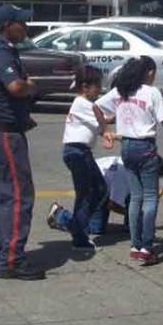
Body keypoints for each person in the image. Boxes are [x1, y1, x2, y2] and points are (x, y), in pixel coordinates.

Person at [0, 4, 45, 281]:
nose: (25, 28)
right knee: (18, 196)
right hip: (4, 135)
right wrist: (32, 86)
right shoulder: (1, 52)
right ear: (7, 25)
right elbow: (15, 87)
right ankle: (12, 260)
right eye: (21, 24)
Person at [96, 56, 163, 266]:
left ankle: (134, 244)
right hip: (145, 147)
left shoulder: (120, 91)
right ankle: (147, 246)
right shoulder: (151, 92)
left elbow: (96, 107)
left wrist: (106, 129)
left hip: (127, 147)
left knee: (136, 197)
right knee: (150, 198)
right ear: (147, 73)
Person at [46, 66, 113, 251]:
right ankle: (76, 233)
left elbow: (100, 125)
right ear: (85, 87)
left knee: (99, 189)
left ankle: (73, 225)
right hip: (77, 152)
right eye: (96, 85)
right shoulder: (82, 103)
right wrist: (109, 128)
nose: (99, 89)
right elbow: (101, 118)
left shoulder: (85, 105)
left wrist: (108, 132)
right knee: (87, 193)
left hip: (82, 152)